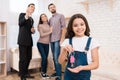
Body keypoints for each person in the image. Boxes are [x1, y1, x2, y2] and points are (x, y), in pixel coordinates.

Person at [58, 13, 100, 80]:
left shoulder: (92, 41)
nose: (79, 27)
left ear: (86, 25)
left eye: (82, 24)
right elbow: (60, 61)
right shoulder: (67, 41)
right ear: (72, 28)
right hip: (68, 75)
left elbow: (96, 64)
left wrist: (81, 68)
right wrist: (64, 50)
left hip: (84, 76)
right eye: (75, 25)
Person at [48, 3, 66, 80]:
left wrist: (61, 40)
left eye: (53, 7)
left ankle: (59, 76)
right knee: (53, 57)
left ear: (55, 8)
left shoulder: (61, 16)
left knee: (56, 57)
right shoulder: (50, 19)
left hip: (58, 40)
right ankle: (57, 72)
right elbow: (49, 30)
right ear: (49, 10)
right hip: (51, 40)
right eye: (50, 7)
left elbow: (64, 28)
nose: (52, 8)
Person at [17, 3, 35, 80]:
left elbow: (30, 30)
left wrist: (33, 31)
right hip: (22, 40)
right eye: (31, 7)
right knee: (23, 59)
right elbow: (20, 23)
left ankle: (26, 73)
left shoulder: (32, 19)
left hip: (29, 41)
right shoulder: (22, 15)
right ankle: (22, 75)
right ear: (27, 7)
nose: (33, 8)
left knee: (29, 57)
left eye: (34, 8)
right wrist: (27, 15)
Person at [37, 13, 52, 79]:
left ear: (46, 17)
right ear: (41, 19)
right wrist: (50, 31)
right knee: (44, 58)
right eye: (42, 17)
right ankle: (43, 73)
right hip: (40, 43)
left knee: (46, 58)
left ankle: (44, 73)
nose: (43, 17)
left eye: (44, 16)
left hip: (47, 44)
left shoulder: (49, 25)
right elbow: (42, 35)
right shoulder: (40, 25)